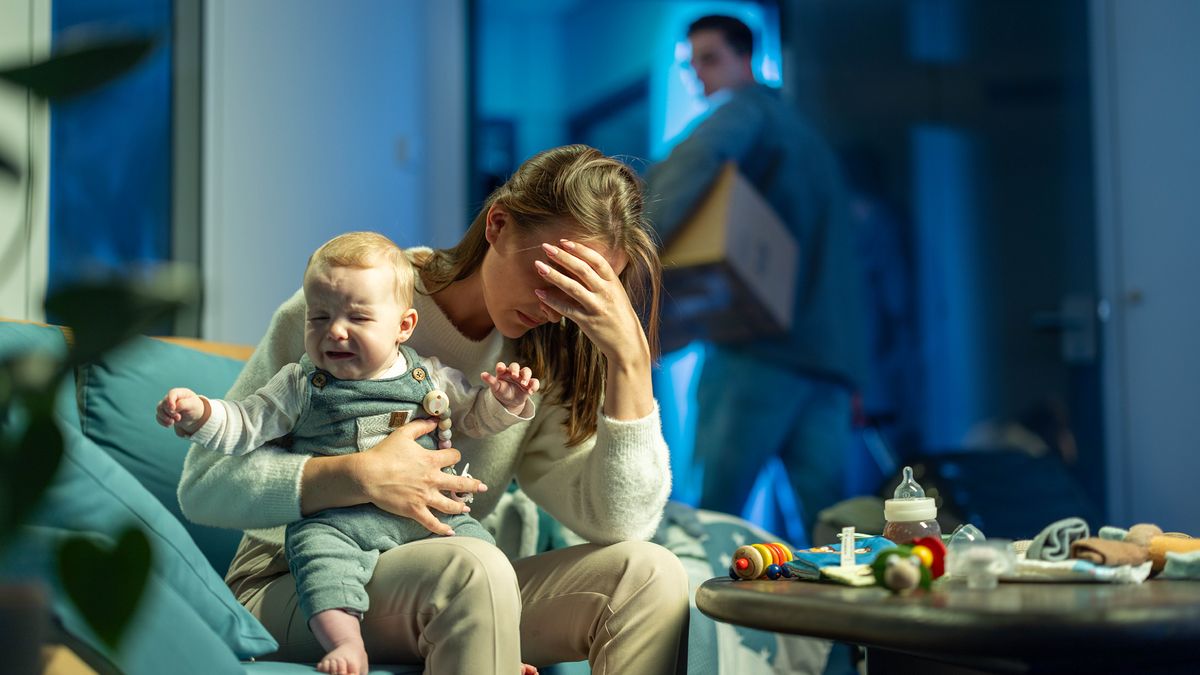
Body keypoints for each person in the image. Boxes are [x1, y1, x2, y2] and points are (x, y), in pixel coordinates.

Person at [177, 145, 689, 674]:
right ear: (497, 225)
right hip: (303, 582)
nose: (554, 304)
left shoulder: (544, 356)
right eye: (552, 274)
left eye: (580, 290)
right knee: (473, 569)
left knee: (650, 576)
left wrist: (628, 360)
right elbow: (204, 483)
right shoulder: (350, 305)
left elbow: (619, 524)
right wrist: (356, 475)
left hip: (455, 572)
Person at [157, 232, 541, 675]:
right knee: (317, 558)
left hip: (428, 520)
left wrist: (506, 403)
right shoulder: (300, 384)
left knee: (482, 548)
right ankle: (345, 642)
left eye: (358, 318)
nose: (334, 331)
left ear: (404, 327)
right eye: (318, 317)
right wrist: (199, 414)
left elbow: (474, 419)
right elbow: (244, 423)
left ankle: (497, 643)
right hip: (340, 522)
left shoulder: (429, 376)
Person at [645, 15, 867, 542]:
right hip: (827, 364)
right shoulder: (805, 136)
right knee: (833, 533)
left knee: (713, 524)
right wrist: (855, 374)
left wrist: (630, 244)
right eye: (691, 62)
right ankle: (831, 628)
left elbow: (695, 159)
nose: (698, 73)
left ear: (746, 60)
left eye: (710, 58)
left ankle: (714, 626)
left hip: (759, 357)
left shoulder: (745, 113)